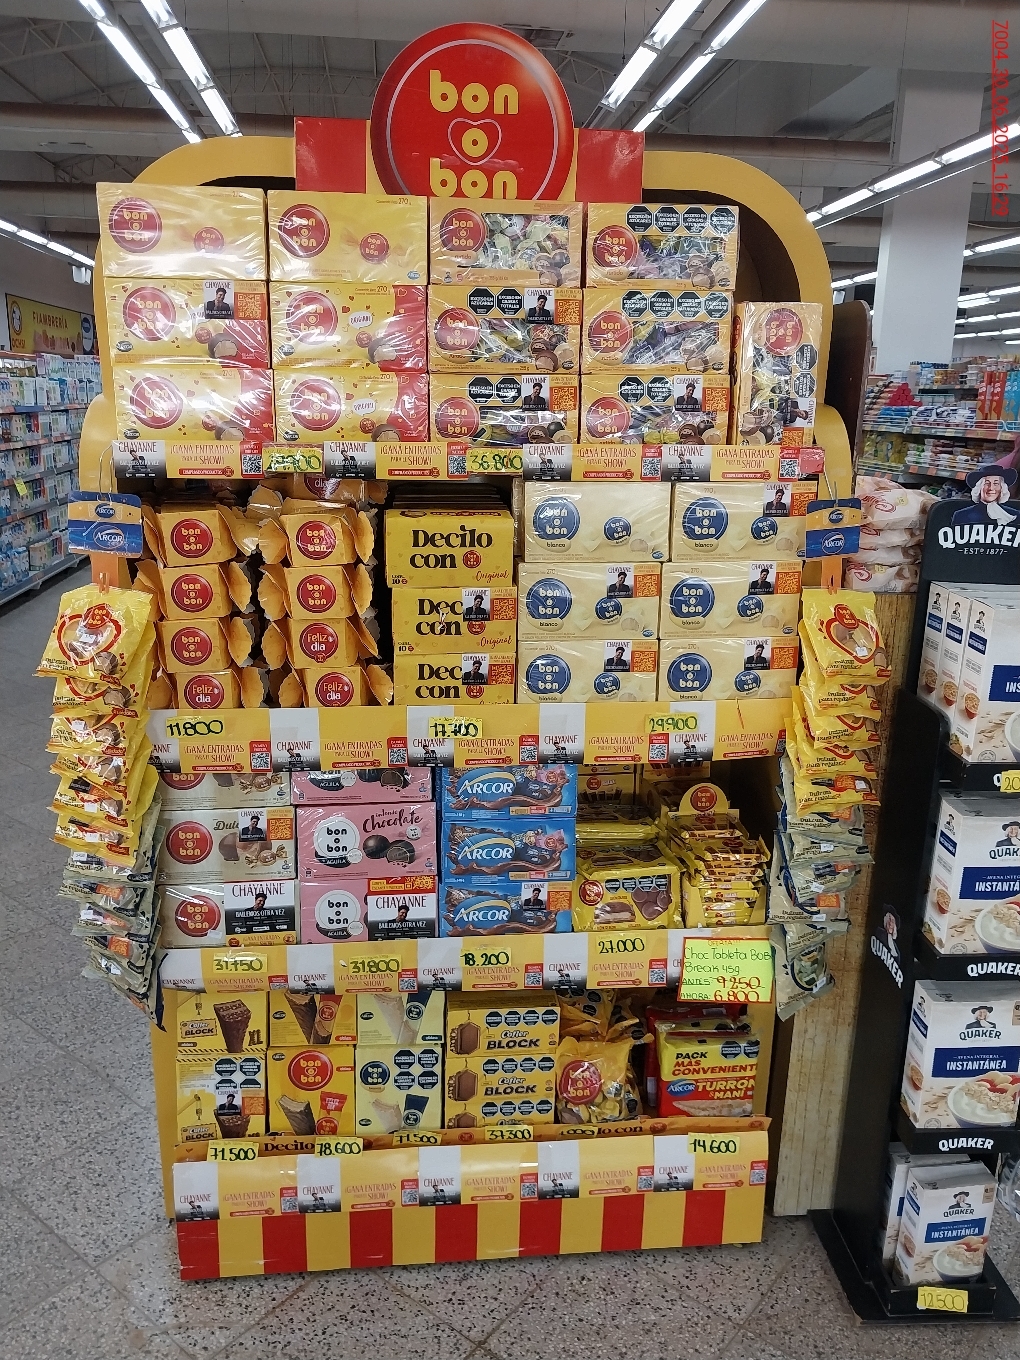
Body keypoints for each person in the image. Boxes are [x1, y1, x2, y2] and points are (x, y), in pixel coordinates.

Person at [950, 465, 1018, 528]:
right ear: (979, 487)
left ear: (1002, 488)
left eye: (996, 483)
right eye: (986, 483)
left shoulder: (1015, 515)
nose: (991, 488)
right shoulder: (961, 515)